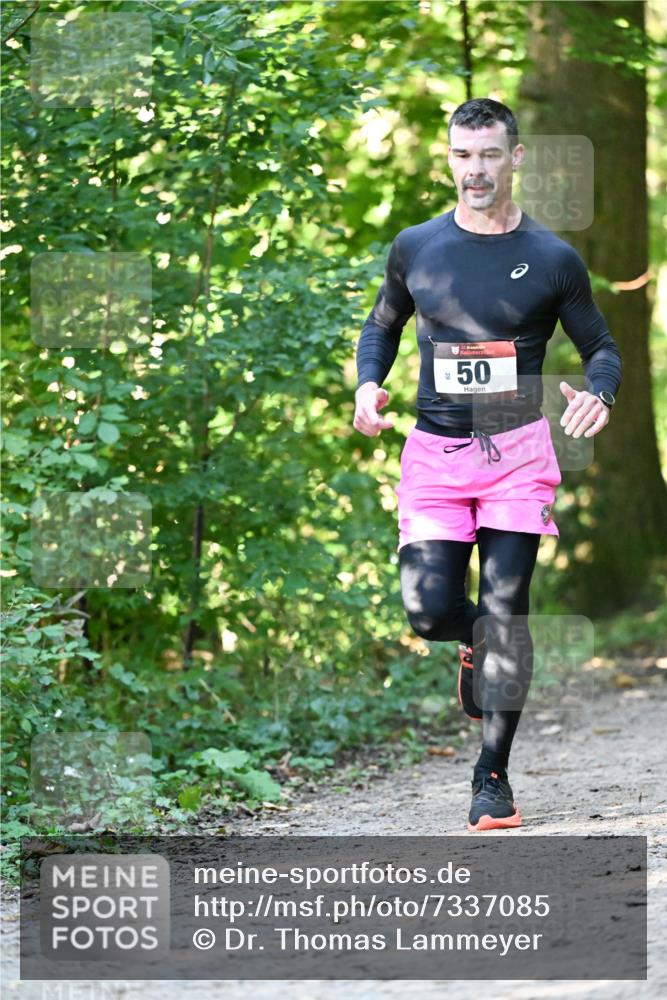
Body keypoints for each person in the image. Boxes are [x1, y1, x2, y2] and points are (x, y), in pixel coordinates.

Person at [353, 98, 622, 832]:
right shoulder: (415, 246)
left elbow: (601, 346)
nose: (476, 170)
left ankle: (491, 777)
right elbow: (381, 327)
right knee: (429, 610)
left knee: (507, 613)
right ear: (449, 158)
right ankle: (475, 643)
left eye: (489, 155)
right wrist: (366, 385)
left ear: (515, 157)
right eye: (463, 156)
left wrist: (599, 391)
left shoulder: (554, 258)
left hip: (517, 455)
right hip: (434, 455)